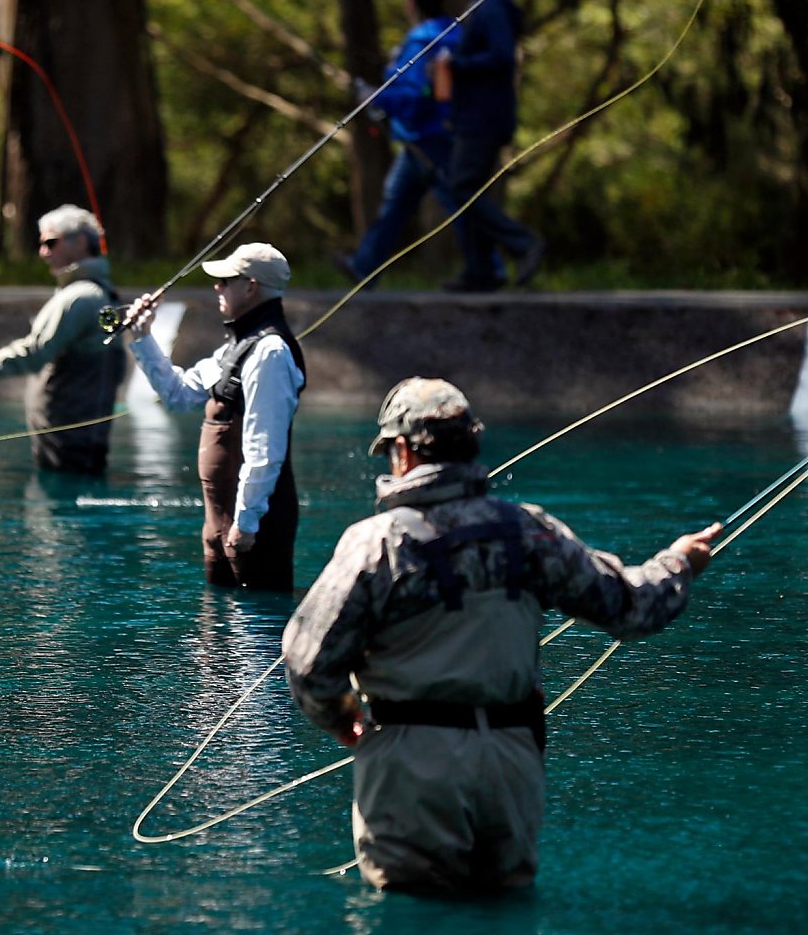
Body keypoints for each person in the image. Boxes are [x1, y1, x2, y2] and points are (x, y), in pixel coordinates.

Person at [282, 377, 720, 894]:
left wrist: (344, 722)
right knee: (505, 921)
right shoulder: (529, 532)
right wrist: (679, 562)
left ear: (402, 452)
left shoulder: (376, 543)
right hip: (511, 765)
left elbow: (309, 664)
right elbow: (632, 607)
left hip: (412, 766)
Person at [119, 242, 306, 591]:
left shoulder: (271, 353)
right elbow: (178, 395)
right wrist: (142, 337)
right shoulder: (237, 347)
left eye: (227, 280)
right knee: (215, 639)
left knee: (255, 637)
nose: (217, 286)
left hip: (252, 527)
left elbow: (264, 447)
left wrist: (246, 524)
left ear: (251, 286)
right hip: (223, 527)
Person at [0, 204, 126, 475]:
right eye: (41, 244)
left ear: (80, 242)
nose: (43, 252)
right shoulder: (98, 293)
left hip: (69, 446)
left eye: (51, 242)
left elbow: (33, 354)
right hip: (77, 442)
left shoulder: (80, 298)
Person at [337, 0, 463, 283]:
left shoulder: (423, 39)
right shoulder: (453, 32)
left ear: (415, 4)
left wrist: (374, 96)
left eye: (408, 0)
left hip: (428, 136)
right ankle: (364, 267)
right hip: (426, 136)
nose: (406, 5)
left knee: (460, 203)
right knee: (396, 204)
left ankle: (493, 265)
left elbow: (415, 93)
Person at [438, 0, 544, 292]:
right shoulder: (484, 5)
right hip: (477, 115)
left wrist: (457, 64)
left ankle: (523, 244)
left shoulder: (492, 6)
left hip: (484, 117)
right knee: (464, 189)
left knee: (463, 186)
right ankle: (481, 271)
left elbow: (502, 56)